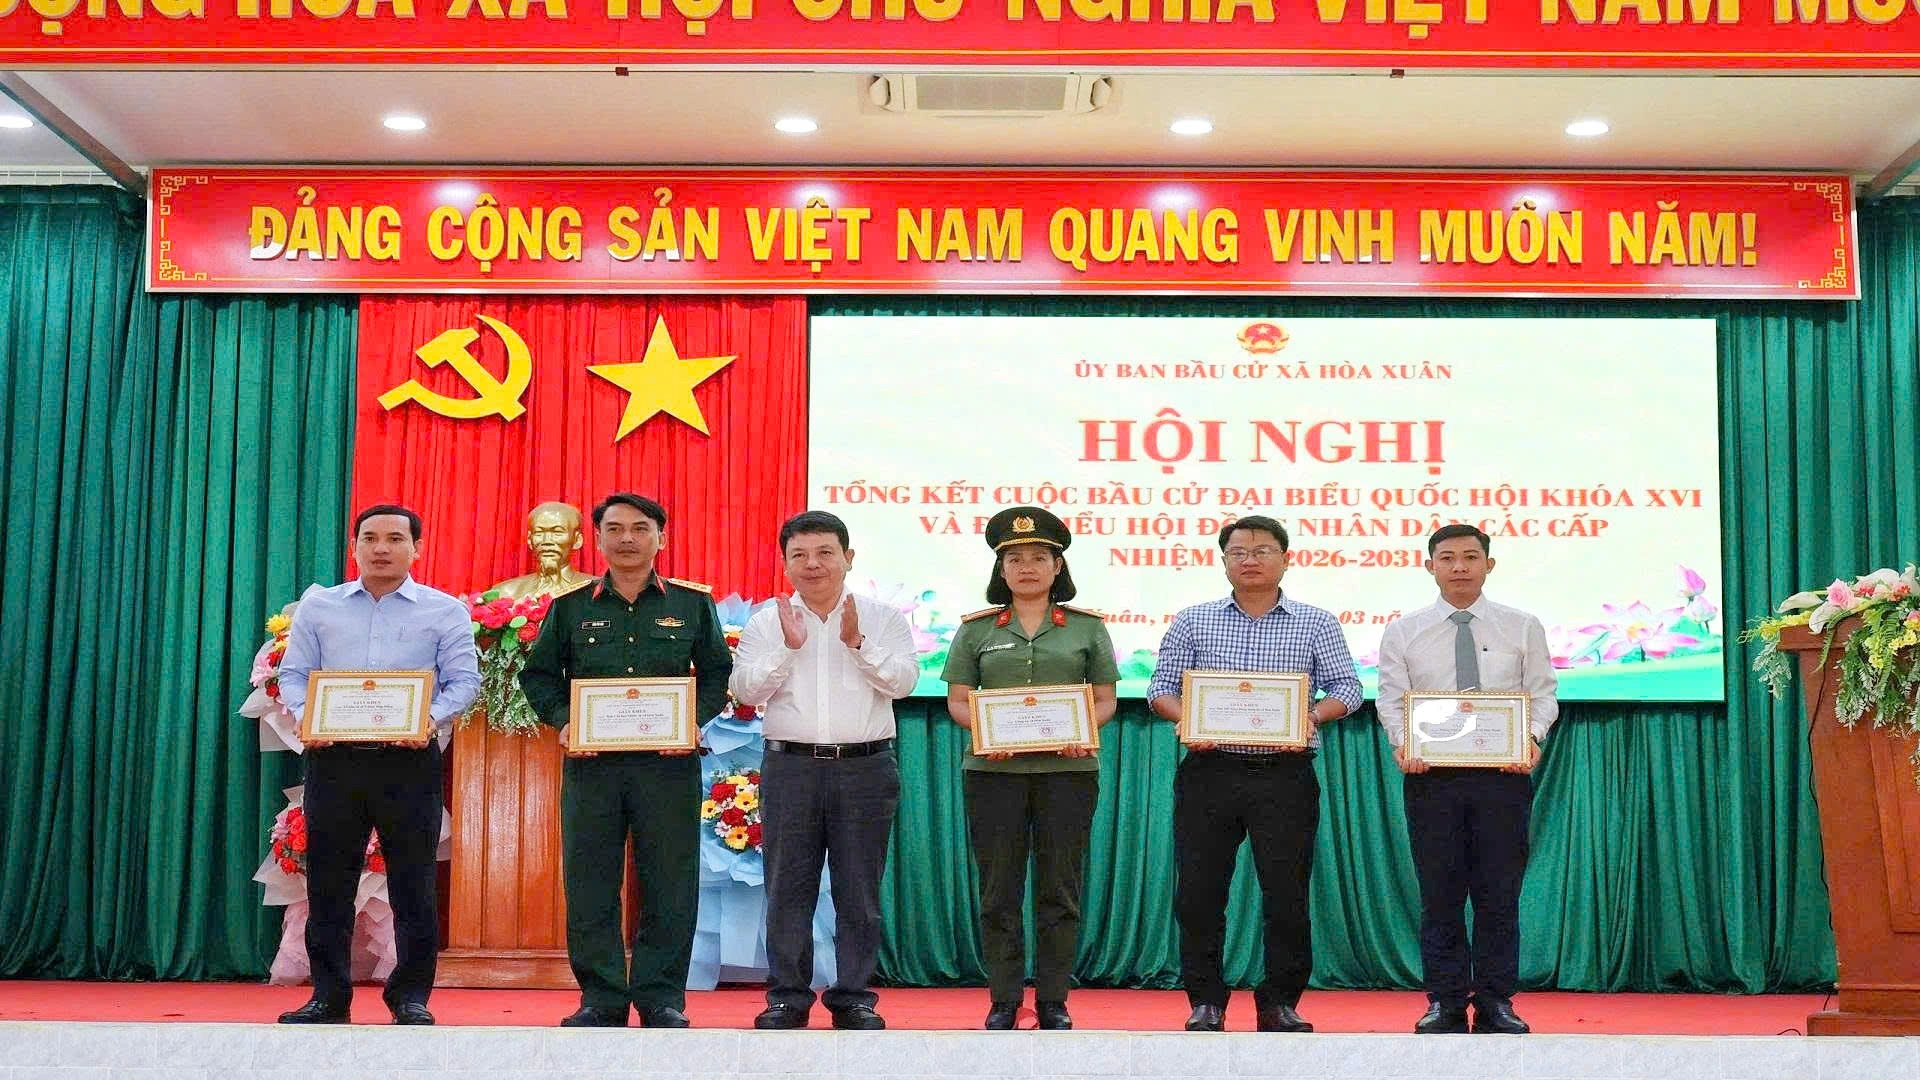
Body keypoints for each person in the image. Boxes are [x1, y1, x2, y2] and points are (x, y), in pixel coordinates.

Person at [519, 493, 733, 1028]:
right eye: (614, 529)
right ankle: (602, 998)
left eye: (640, 528)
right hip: (593, 766)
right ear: (597, 539)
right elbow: (538, 676)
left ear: (661, 537)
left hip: (668, 765)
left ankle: (662, 998)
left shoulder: (692, 604)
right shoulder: (571, 607)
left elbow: (716, 674)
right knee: (590, 882)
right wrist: (564, 723)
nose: (627, 538)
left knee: (670, 881)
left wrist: (691, 721)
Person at [1147, 515, 1362, 1033]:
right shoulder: (1193, 620)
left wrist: (1308, 717)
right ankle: (1206, 1001)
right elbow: (1160, 690)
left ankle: (1279, 1002)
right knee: (1198, 895)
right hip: (1210, 771)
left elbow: (1348, 689)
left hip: (1285, 774)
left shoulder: (1316, 622)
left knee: (1286, 895)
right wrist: (1188, 720)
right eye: (1238, 551)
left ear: (1286, 559)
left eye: (1262, 550)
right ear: (1223, 561)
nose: (1250, 560)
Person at [276, 504, 481, 1026]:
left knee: (414, 884)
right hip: (334, 760)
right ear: (354, 547)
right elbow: (294, 674)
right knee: (329, 883)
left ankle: (410, 997)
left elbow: (464, 682)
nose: (381, 548)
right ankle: (328, 997)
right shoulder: (320, 607)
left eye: (395, 538)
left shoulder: (444, 611)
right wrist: (306, 714)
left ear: (417, 548)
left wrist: (426, 719)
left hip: (408, 762)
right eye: (370, 538)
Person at [729, 511, 920, 1031]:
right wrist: (788, 649)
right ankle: (787, 997)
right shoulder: (767, 622)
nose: (812, 564)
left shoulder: (882, 619)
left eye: (825, 553)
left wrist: (858, 643)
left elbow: (903, 683)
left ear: (848, 558)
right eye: (800, 555)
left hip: (865, 768)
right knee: (788, 887)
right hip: (790, 767)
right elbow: (745, 691)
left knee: (859, 890)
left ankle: (854, 996)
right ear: (785, 563)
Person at [1375, 523, 1558, 1036]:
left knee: (1499, 895)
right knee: (1441, 894)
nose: (1459, 567)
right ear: (1429, 566)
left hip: (1503, 777)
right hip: (1432, 778)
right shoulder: (1403, 631)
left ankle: (1497, 1001)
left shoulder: (1522, 626)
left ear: (1488, 565)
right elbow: (1391, 699)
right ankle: (1446, 1001)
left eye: (1471, 557)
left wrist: (1531, 738)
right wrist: (1403, 744)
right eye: (1448, 557)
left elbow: (1542, 694)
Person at [940, 506, 1118, 1031]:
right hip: (993, 775)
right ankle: (1003, 999)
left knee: (1059, 891)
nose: (1027, 567)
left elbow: (1105, 699)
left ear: (1058, 567)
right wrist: (983, 732)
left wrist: (1082, 731)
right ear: (1001, 569)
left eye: (1039, 557)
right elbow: (958, 701)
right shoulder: (977, 631)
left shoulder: (1087, 628)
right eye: (1015, 559)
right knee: (998, 892)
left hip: (1069, 774)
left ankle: (1054, 1000)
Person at [491, 501, 596, 600]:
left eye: (557, 532)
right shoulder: (505, 593)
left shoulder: (597, 590)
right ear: (529, 540)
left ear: (577, 540)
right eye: (539, 533)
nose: (547, 541)